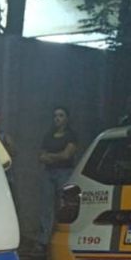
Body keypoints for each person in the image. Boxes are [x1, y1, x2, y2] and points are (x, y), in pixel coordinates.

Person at [37, 105, 78, 250]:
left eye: (61, 115)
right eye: (55, 116)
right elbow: (41, 156)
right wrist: (55, 156)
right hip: (49, 172)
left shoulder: (71, 135)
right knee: (46, 207)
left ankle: (62, 238)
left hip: (65, 172)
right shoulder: (48, 135)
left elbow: (67, 155)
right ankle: (44, 240)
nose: (57, 119)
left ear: (67, 118)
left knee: (63, 206)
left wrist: (50, 156)